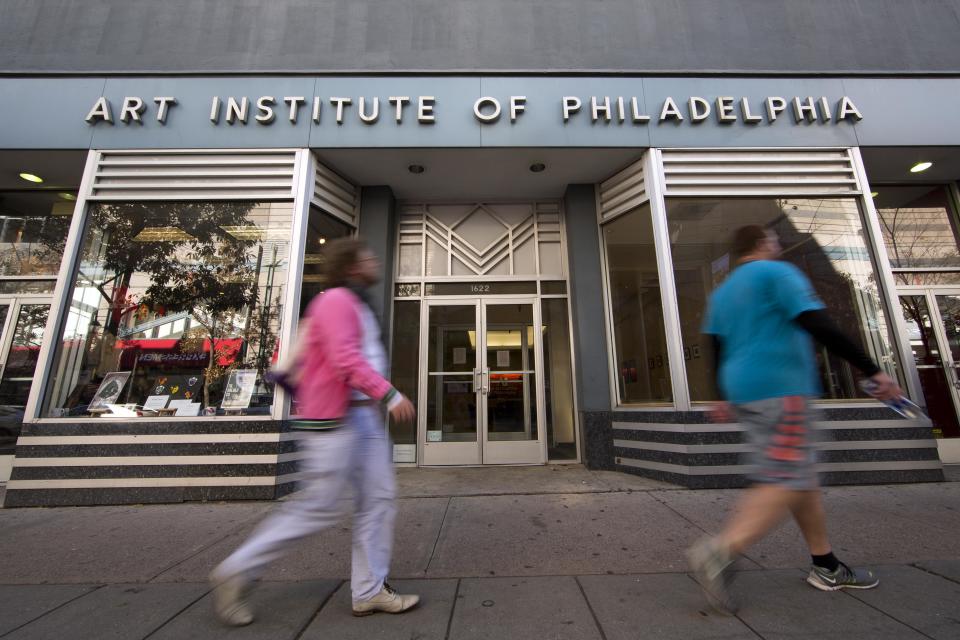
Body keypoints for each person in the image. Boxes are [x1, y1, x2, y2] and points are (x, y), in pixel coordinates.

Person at [687, 225, 903, 614]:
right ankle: (720, 551)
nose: (778, 244)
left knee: (799, 476)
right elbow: (819, 324)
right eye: (773, 239)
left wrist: (720, 396)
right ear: (760, 244)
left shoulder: (723, 292)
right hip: (780, 387)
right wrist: (872, 370)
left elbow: (714, 346)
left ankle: (826, 565)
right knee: (786, 477)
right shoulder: (778, 274)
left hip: (745, 389)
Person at [209, 237, 418, 626]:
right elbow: (344, 358)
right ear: (353, 266)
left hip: (362, 418)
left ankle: (370, 590)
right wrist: (388, 393)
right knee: (320, 506)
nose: (375, 260)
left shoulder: (356, 303)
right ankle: (238, 568)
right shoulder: (336, 300)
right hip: (338, 420)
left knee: (379, 499)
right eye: (369, 256)